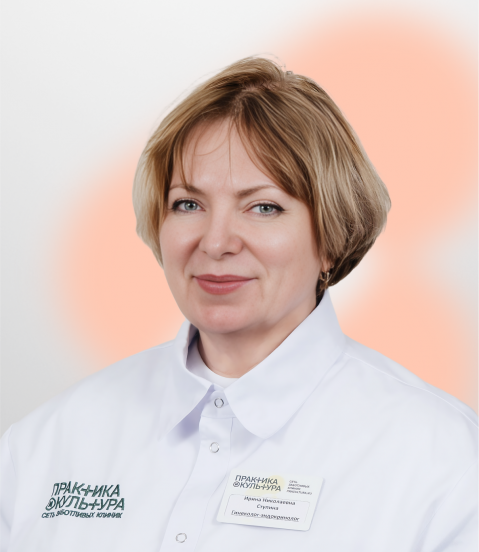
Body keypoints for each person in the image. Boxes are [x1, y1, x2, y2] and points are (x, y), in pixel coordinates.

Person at [0, 57, 478, 552]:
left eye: (263, 207)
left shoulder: (442, 461)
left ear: (331, 236)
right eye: (188, 204)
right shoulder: (43, 444)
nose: (215, 242)